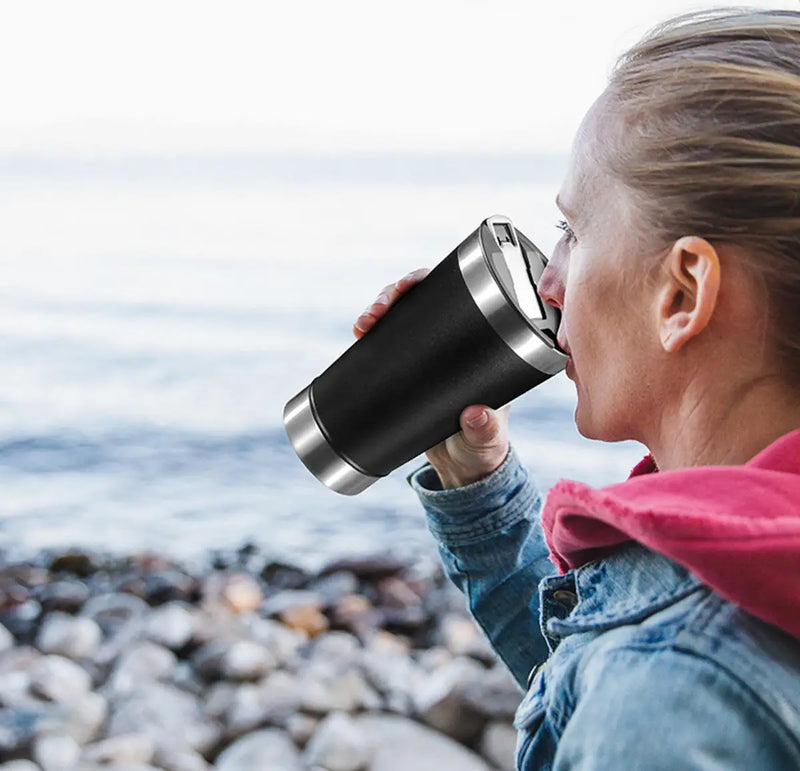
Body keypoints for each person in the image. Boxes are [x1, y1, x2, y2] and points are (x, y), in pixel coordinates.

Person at [352, 7, 800, 770]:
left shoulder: (669, 692)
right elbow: (590, 678)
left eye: (573, 230)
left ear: (683, 294)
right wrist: (477, 484)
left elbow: (646, 687)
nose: (550, 283)